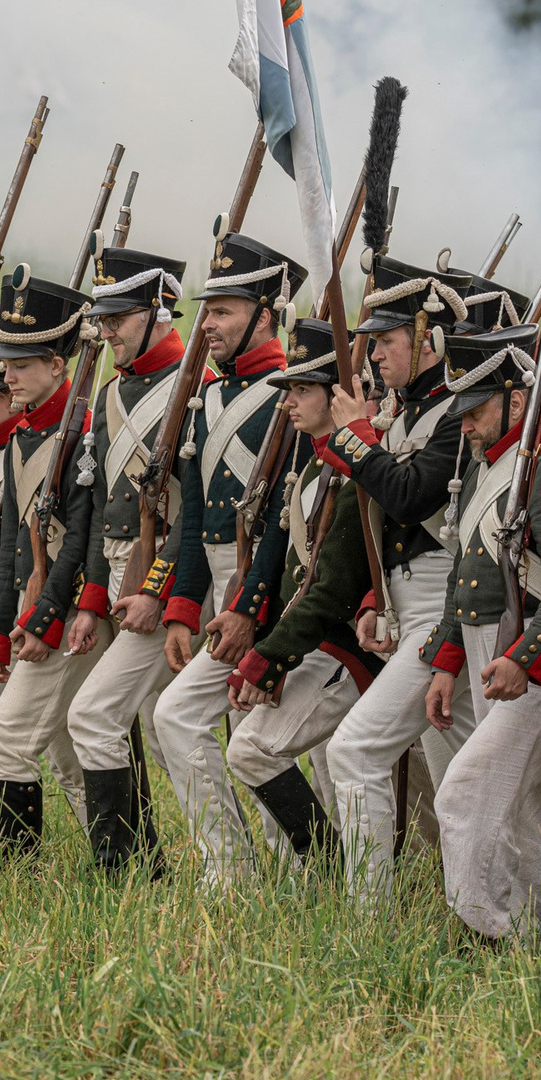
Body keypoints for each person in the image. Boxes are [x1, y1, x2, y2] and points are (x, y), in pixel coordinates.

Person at [143, 238, 325, 885]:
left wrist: (251, 607)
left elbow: (286, 518)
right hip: (224, 582)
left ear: (266, 314)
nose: (208, 325)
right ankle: (247, 869)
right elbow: (192, 517)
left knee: (237, 728)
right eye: (207, 310)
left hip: (273, 587)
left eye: (223, 310)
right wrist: (183, 608)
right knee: (208, 722)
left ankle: (289, 869)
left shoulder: (291, 396)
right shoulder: (207, 400)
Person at [424, 324, 541, 939]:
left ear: (514, 396)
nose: (466, 424)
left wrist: (524, 657)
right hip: (497, 652)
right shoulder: (494, 462)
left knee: (464, 793)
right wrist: (447, 659)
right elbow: (470, 571)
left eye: (476, 409)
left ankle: (487, 929)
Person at [316, 257, 482, 906]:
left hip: (447, 606)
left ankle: (370, 920)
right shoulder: (406, 411)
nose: (374, 353)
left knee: (354, 752)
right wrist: (373, 597)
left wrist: (354, 438)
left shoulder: (456, 412)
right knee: (461, 784)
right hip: (415, 602)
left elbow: (411, 497)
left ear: (431, 339)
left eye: (386, 340)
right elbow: (387, 524)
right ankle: (481, 914)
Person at [208, 319, 381, 874]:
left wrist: (268, 655)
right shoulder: (314, 462)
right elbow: (292, 576)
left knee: (252, 750)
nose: (289, 402)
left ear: (340, 395)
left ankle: (330, 870)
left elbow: (329, 591)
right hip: (310, 645)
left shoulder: (354, 474)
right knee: (328, 774)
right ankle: (336, 874)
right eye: (289, 390)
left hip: (341, 649)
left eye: (303, 390)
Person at [56, 244, 193, 874]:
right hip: (117, 573)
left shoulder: (193, 388)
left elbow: (197, 513)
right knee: (162, 733)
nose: (107, 329)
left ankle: (131, 866)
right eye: (104, 317)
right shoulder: (113, 392)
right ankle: (156, 862)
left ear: (158, 311)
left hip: (164, 575)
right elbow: (97, 507)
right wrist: (90, 599)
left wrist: (161, 591)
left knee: (114, 717)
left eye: (120, 317)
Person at [0, 269, 105, 857]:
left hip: (76, 606)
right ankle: (127, 866)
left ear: (59, 365)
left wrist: (45, 616)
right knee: (64, 749)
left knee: (5, 739)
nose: (7, 376)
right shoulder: (23, 438)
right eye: (6, 364)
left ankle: (21, 877)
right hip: (43, 609)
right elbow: (10, 551)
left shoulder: (80, 435)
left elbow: (81, 539)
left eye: (21, 365)